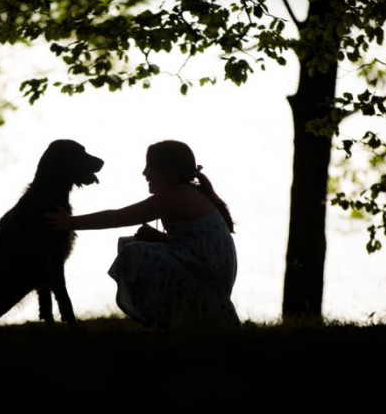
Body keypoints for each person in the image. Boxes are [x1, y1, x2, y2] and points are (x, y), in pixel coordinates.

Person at [44, 139, 240, 331]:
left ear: (169, 173)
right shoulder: (186, 193)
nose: (144, 173)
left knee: (135, 252)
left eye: (150, 168)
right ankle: (175, 318)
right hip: (209, 264)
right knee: (131, 243)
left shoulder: (176, 196)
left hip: (208, 270)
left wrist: (70, 222)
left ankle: (166, 320)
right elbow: (195, 240)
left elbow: (118, 217)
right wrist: (162, 238)